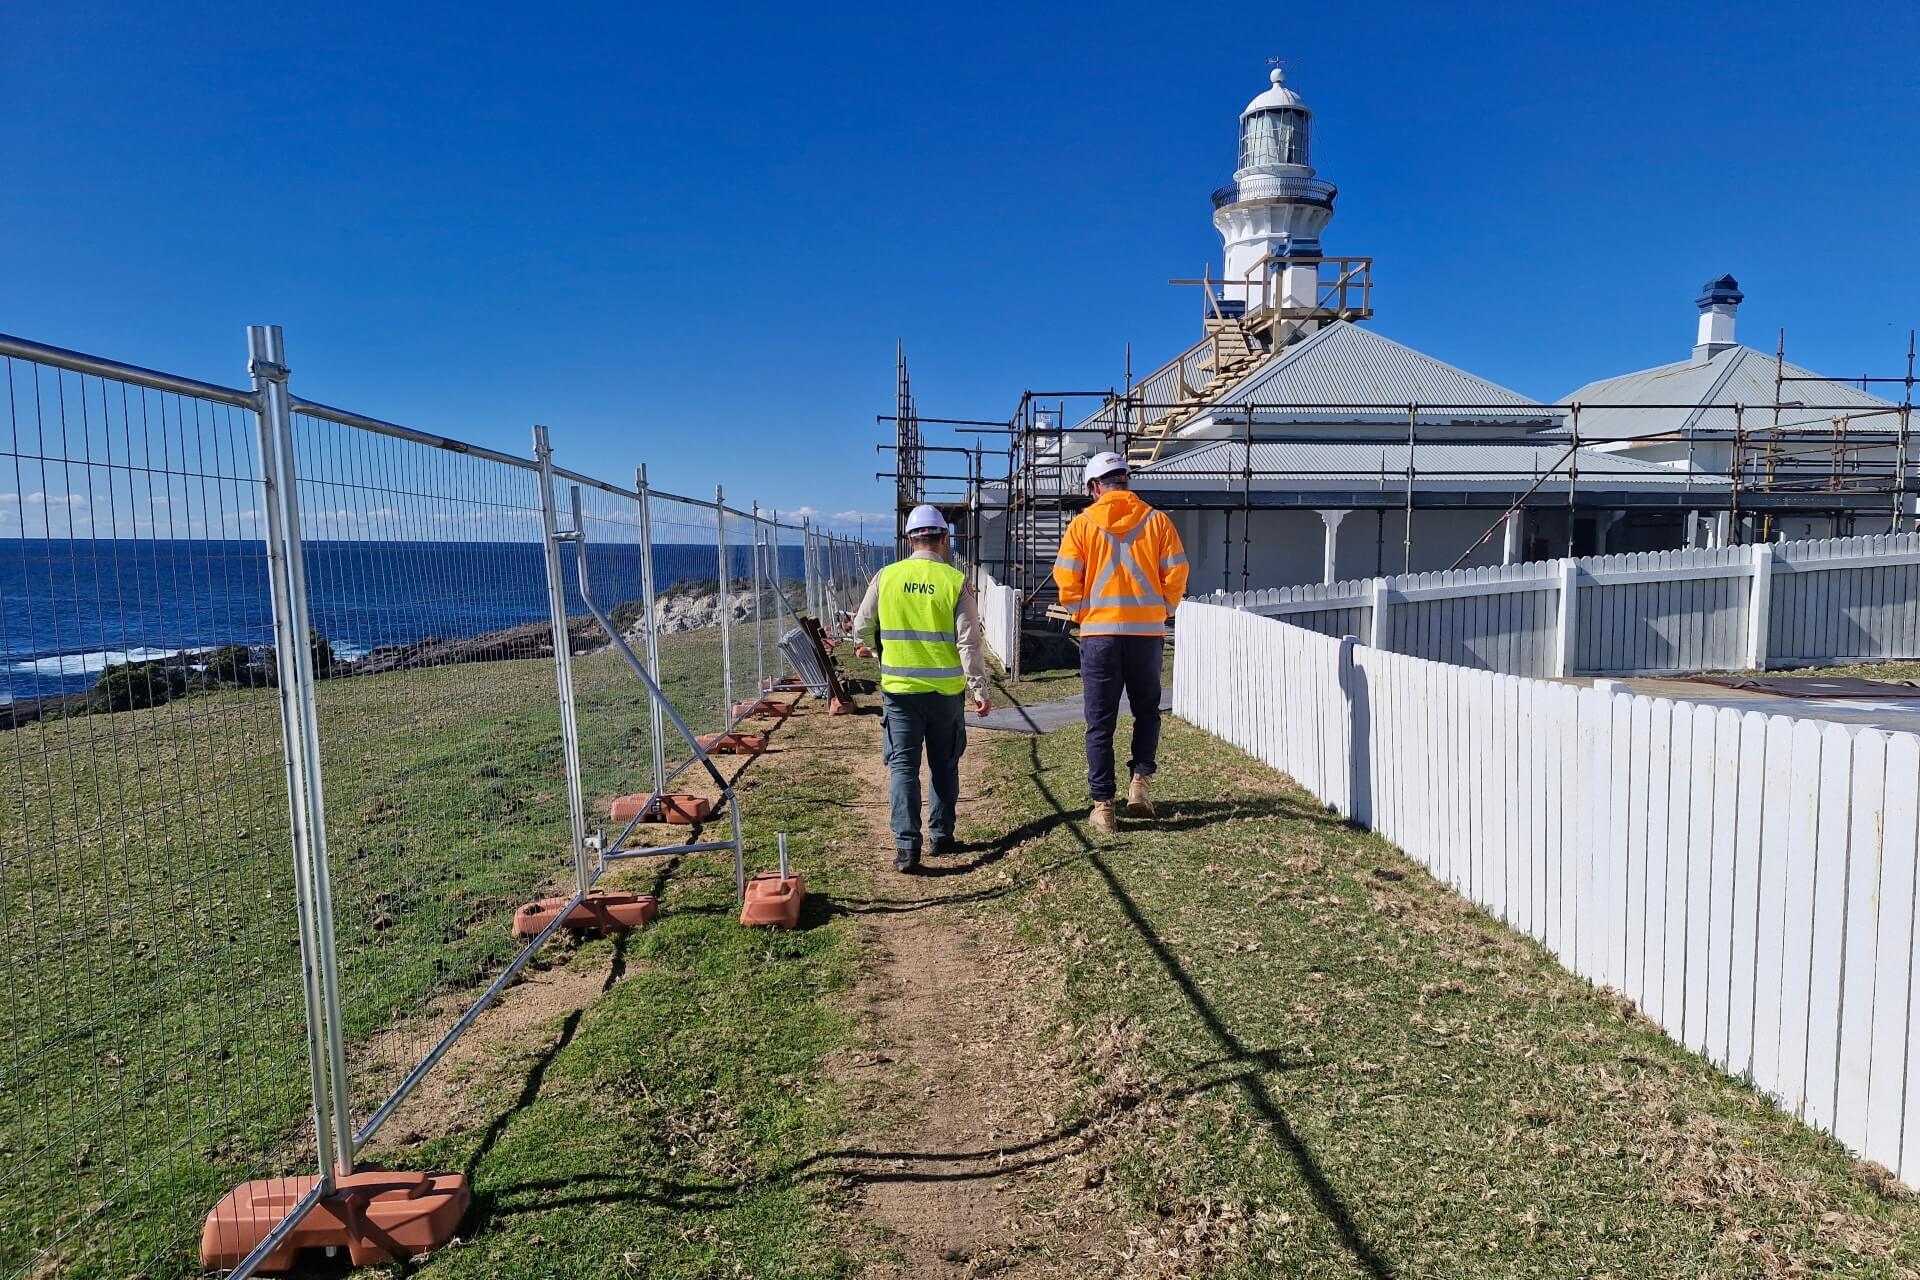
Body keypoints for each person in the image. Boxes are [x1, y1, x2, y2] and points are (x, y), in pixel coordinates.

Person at [1051, 452, 1189, 834]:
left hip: (1099, 636)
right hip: (1146, 634)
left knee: (1100, 722)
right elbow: (1177, 571)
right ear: (1125, 481)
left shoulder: (1082, 525)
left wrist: (1082, 612)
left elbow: (1066, 579)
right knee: (1147, 711)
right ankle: (1140, 787)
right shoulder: (1157, 521)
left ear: (1095, 487)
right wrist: (1161, 608)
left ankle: (1103, 806)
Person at [852, 505, 991, 872]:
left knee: (903, 768)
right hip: (946, 695)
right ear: (944, 538)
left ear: (910, 538)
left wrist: (875, 649)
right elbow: (969, 642)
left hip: (899, 693)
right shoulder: (955, 582)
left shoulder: (886, 577)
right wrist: (980, 690)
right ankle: (941, 836)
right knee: (944, 766)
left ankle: (906, 847)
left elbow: (861, 628)